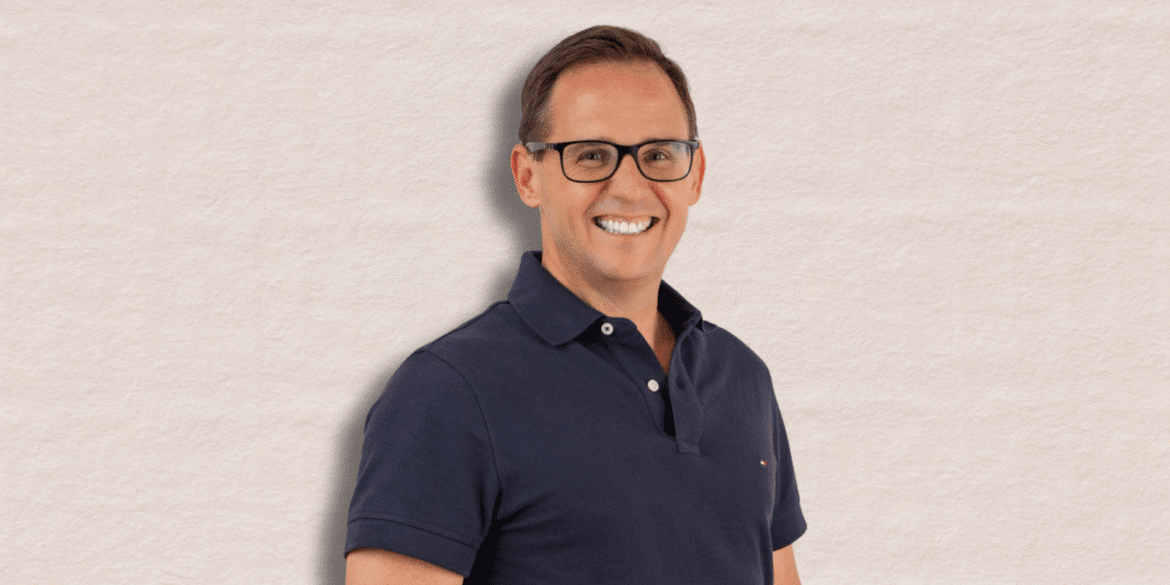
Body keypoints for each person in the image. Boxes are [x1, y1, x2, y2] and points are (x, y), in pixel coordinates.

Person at [345, 25, 806, 585]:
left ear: (696, 175)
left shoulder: (742, 377)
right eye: (592, 156)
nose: (630, 187)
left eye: (659, 154)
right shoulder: (446, 391)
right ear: (526, 175)